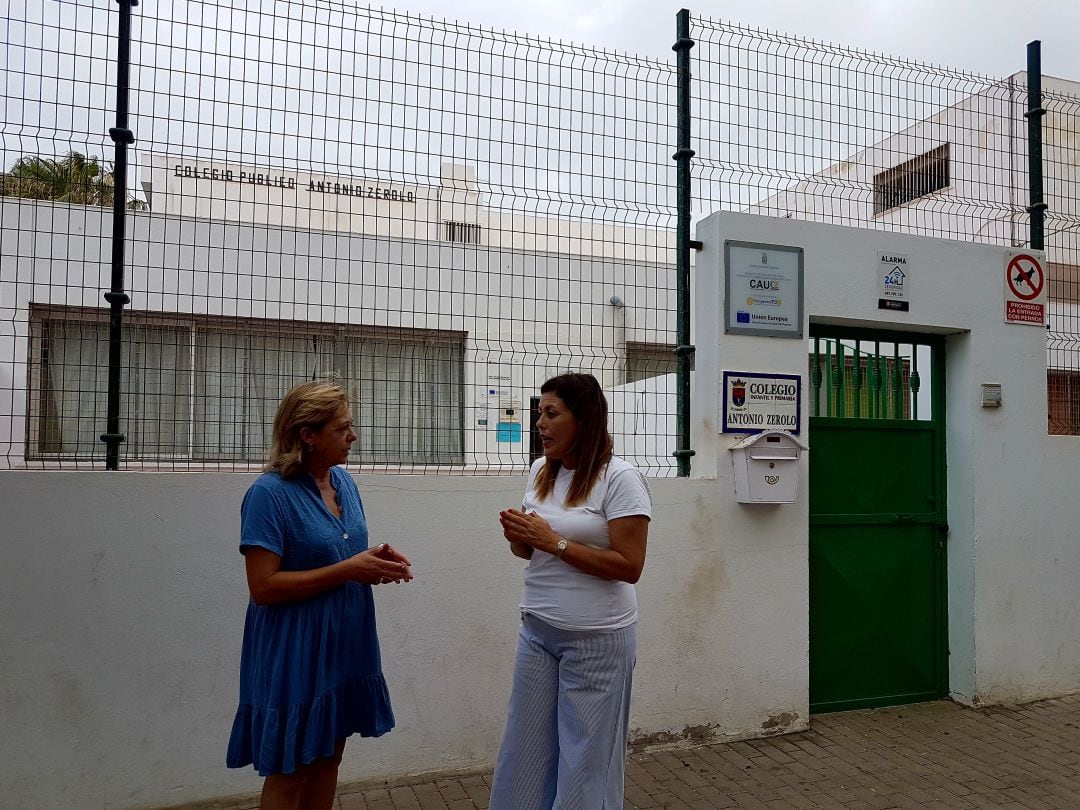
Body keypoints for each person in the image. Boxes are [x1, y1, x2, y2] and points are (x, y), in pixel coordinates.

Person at [226, 380, 413, 810]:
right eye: (342, 429)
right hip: (295, 648)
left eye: (351, 426)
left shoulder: (343, 483)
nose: (353, 436)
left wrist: (372, 562)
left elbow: (337, 553)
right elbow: (263, 587)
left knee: (329, 758)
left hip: (345, 640)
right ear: (306, 435)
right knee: (291, 771)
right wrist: (350, 568)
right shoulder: (268, 495)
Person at [490, 372, 653, 810]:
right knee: (525, 754)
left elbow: (630, 566)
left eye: (551, 413)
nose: (539, 422)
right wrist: (520, 536)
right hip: (538, 631)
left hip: (598, 640)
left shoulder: (621, 479)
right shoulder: (542, 471)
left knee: (585, 762)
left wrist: (553, 542)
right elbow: (530, 552)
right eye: (539, 412)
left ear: (583, 419)